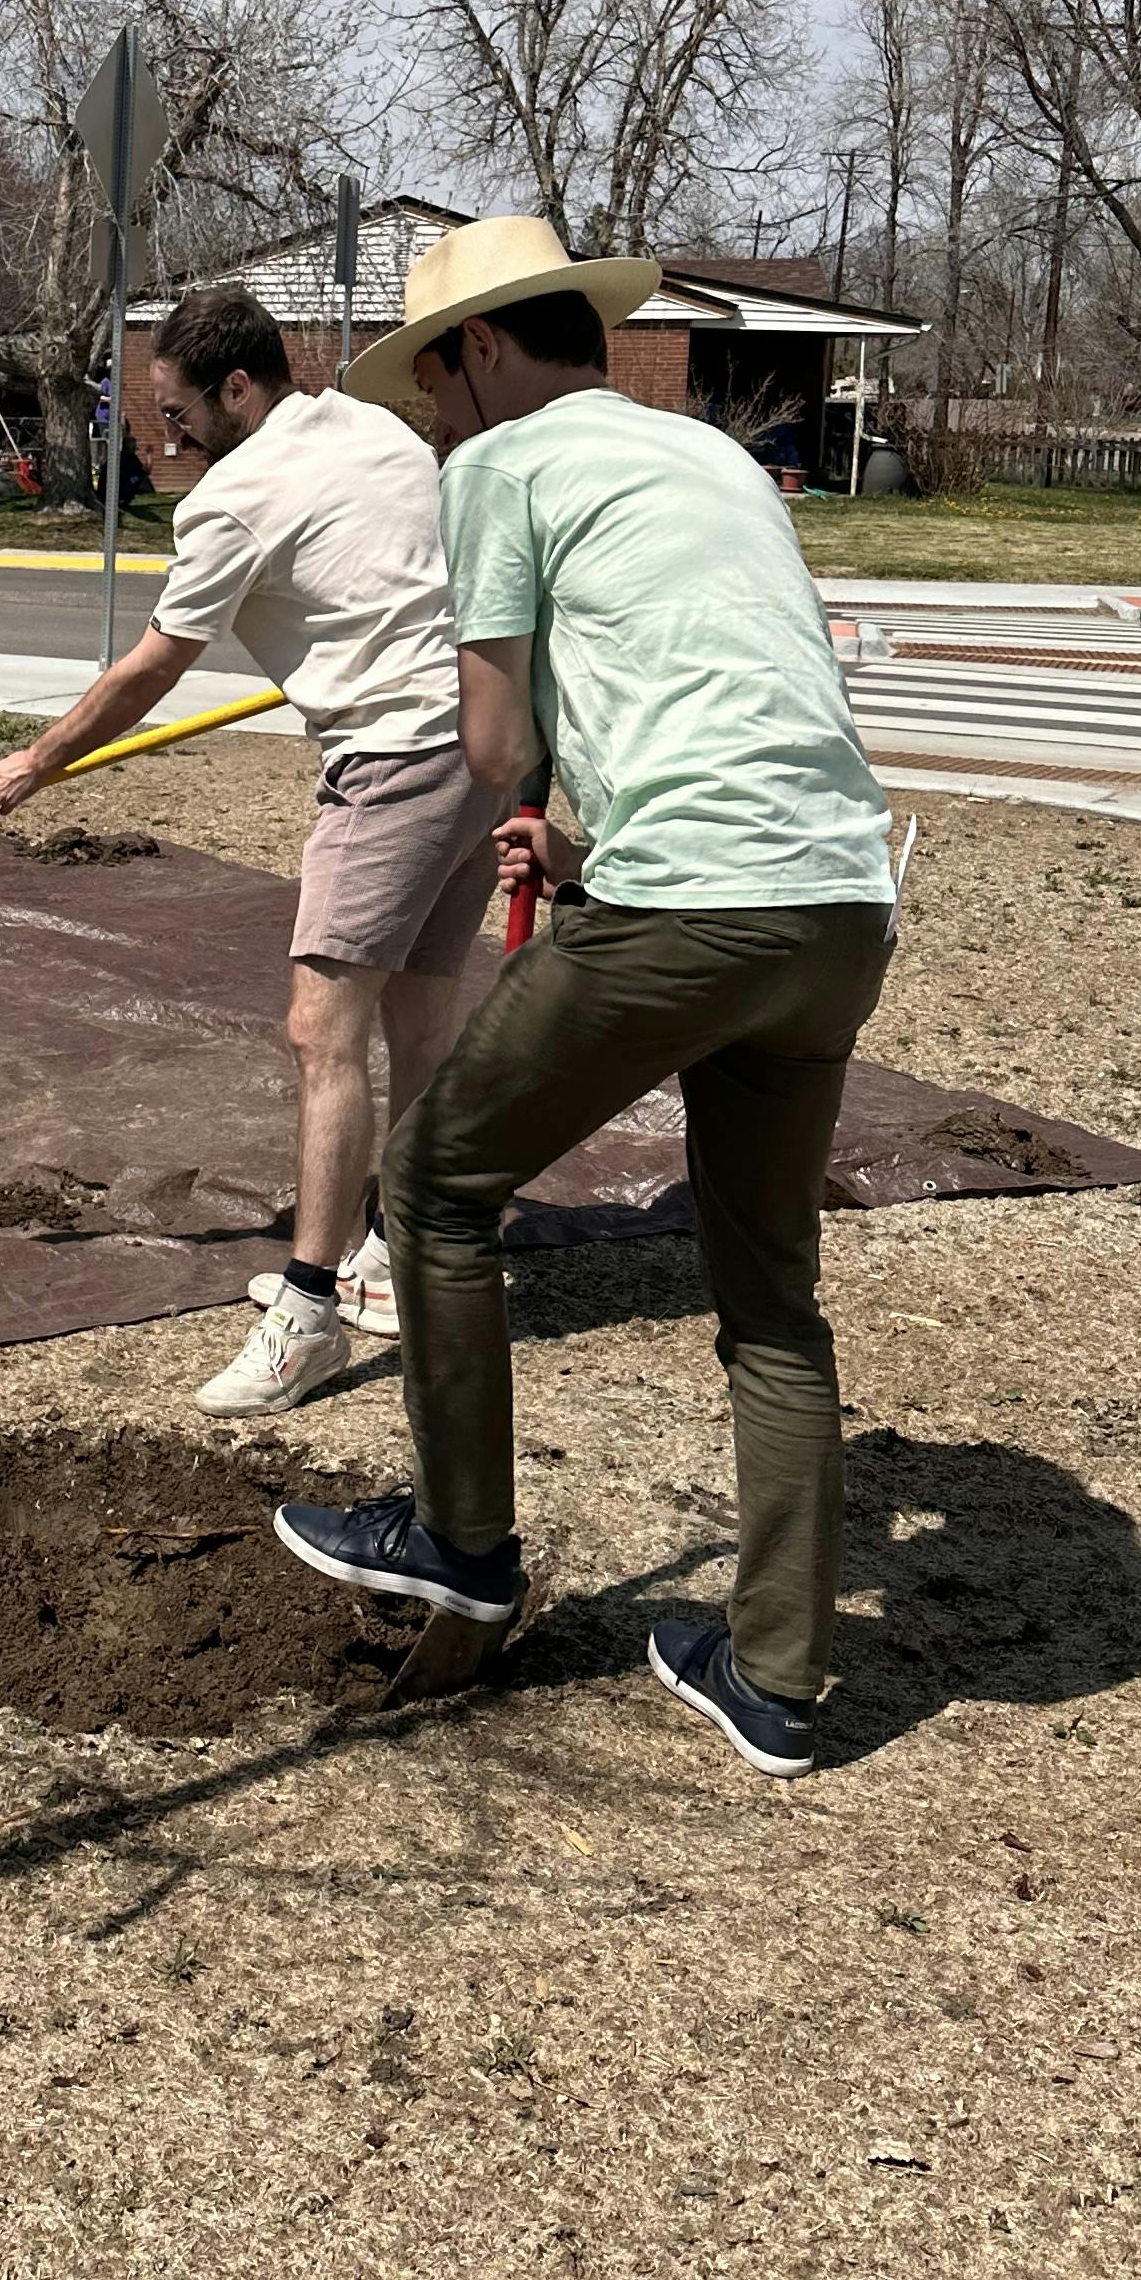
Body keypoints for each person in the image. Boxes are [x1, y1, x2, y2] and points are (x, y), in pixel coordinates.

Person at [270, 216, 899, 1780]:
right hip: (836, 900)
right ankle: (780, 1681)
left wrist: (546, 795)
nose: (428, 417)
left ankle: (462, 1541)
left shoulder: (502, 470)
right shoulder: (710, 460)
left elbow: (491, 748)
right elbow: (716, 683)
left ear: (481, 350)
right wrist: (584, 825)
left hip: (688, 904)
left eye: (429, 381)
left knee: (433, 1184)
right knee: (769, 1296)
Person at [0, 281, 511, 1416]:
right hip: (483, 741)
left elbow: (149, 671)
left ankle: (307, 1313)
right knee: (417, 1018)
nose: (170, 435)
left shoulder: (234, 501)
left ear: (241, 387)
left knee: (322, 1030)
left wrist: (36, 762)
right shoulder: (367, 421)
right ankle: (398, 1260)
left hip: (397, 758)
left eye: (177, 413)